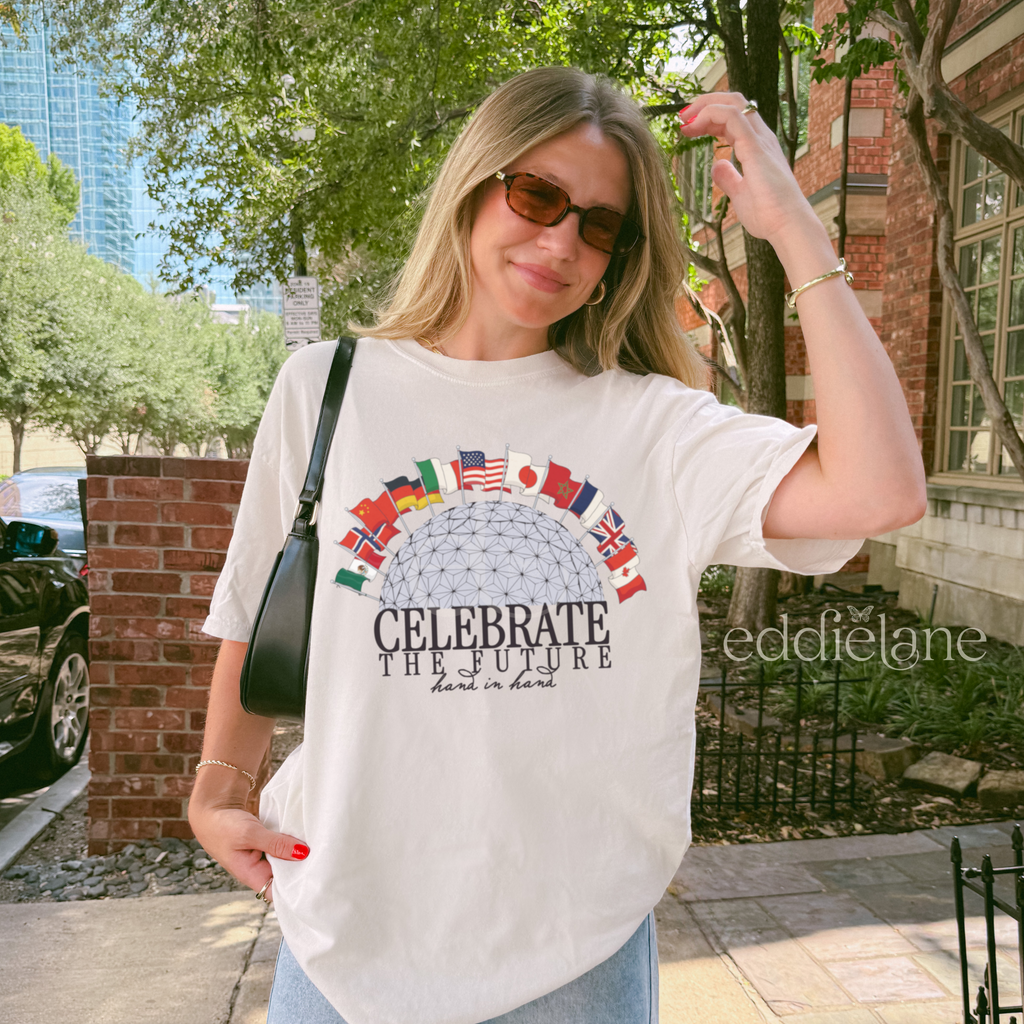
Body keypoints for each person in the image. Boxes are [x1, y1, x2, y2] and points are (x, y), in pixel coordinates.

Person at [189, 66, 925, 1024]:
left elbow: (882, 490)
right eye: (536, 195)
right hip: (345, 940)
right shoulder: (326, 387)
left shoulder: (655, 428)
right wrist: (216, 791)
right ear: (474, 183)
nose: (561, 239)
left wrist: (793, 226)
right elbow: (258, 608)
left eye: (599, 223)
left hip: (569, 954)